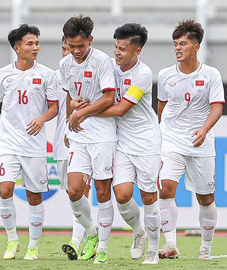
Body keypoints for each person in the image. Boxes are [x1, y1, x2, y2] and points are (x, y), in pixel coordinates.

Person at [72, 23, 161, 265]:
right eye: (115, 47)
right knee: (121, 195)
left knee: (149, 195)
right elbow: (96, 96)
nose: (117, 53)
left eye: (122, 49)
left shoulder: (142, 74)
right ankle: (139, 232)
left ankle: (153, 250)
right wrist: (80, 104)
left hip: (146, 142)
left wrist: (85, 113)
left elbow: (120, 109)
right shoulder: (109, 66)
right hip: (120, 141)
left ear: (137, 51)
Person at [0, 24, 58, 261]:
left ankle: (33, 246)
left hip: (33, 145)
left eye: (37, 43)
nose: (35, 48)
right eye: (30, 43)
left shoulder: (46, 74)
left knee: (34, 196)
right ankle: (12, 241)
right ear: (17, 47)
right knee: (5, 189)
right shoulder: (3, 74)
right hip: (7, 142)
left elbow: (54, 107)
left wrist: (42, 118)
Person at [157, 20, 225, 260]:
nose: (177, 48)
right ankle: (171, 244)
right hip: (171, 140)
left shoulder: (210, 74)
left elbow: (217, 107)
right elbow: (162, 107)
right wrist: (158, 132)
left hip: (200, 142)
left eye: (183, 43)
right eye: (175, 44)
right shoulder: (165, 75)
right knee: (165, 189)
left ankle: (205, 247)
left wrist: (204, 129)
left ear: (196, 46)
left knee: (205, 197)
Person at [59, 15, 117, 264]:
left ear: (90, 40)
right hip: (79, 134)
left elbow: (109, 98)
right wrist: (73, 109)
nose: (76, 51)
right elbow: (70, 98)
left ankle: (103, 246)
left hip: (102, 133)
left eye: (80, 46)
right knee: (73, 190)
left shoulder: (103, 61)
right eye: (71, 46)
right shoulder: (65, 64)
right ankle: (92, 234)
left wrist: (80, 111)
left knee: (103, 191)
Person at [54, 36, 92, 261]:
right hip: (62, 141)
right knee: (72, 192)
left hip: (86, 140)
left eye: (73, 48)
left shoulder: (91, 73)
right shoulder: (55, 76)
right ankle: (90, 234)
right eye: (64, 48)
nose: (68, 52)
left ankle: (77, 241)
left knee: (82, 190)